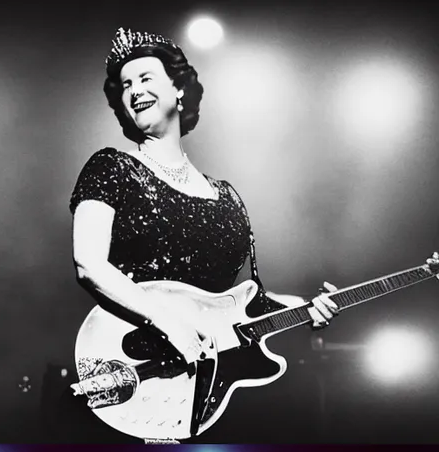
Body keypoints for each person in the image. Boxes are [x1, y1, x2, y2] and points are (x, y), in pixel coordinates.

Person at [71, 29, 338, 374]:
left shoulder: (227, 197)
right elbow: (89, 265)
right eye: (126, 85)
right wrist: (168, 322)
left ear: (178, 89)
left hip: (205, 379)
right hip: (131, 365)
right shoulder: (111, 167)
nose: (135, 90)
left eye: (145, 78)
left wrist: (306, 308)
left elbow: (244, 302)